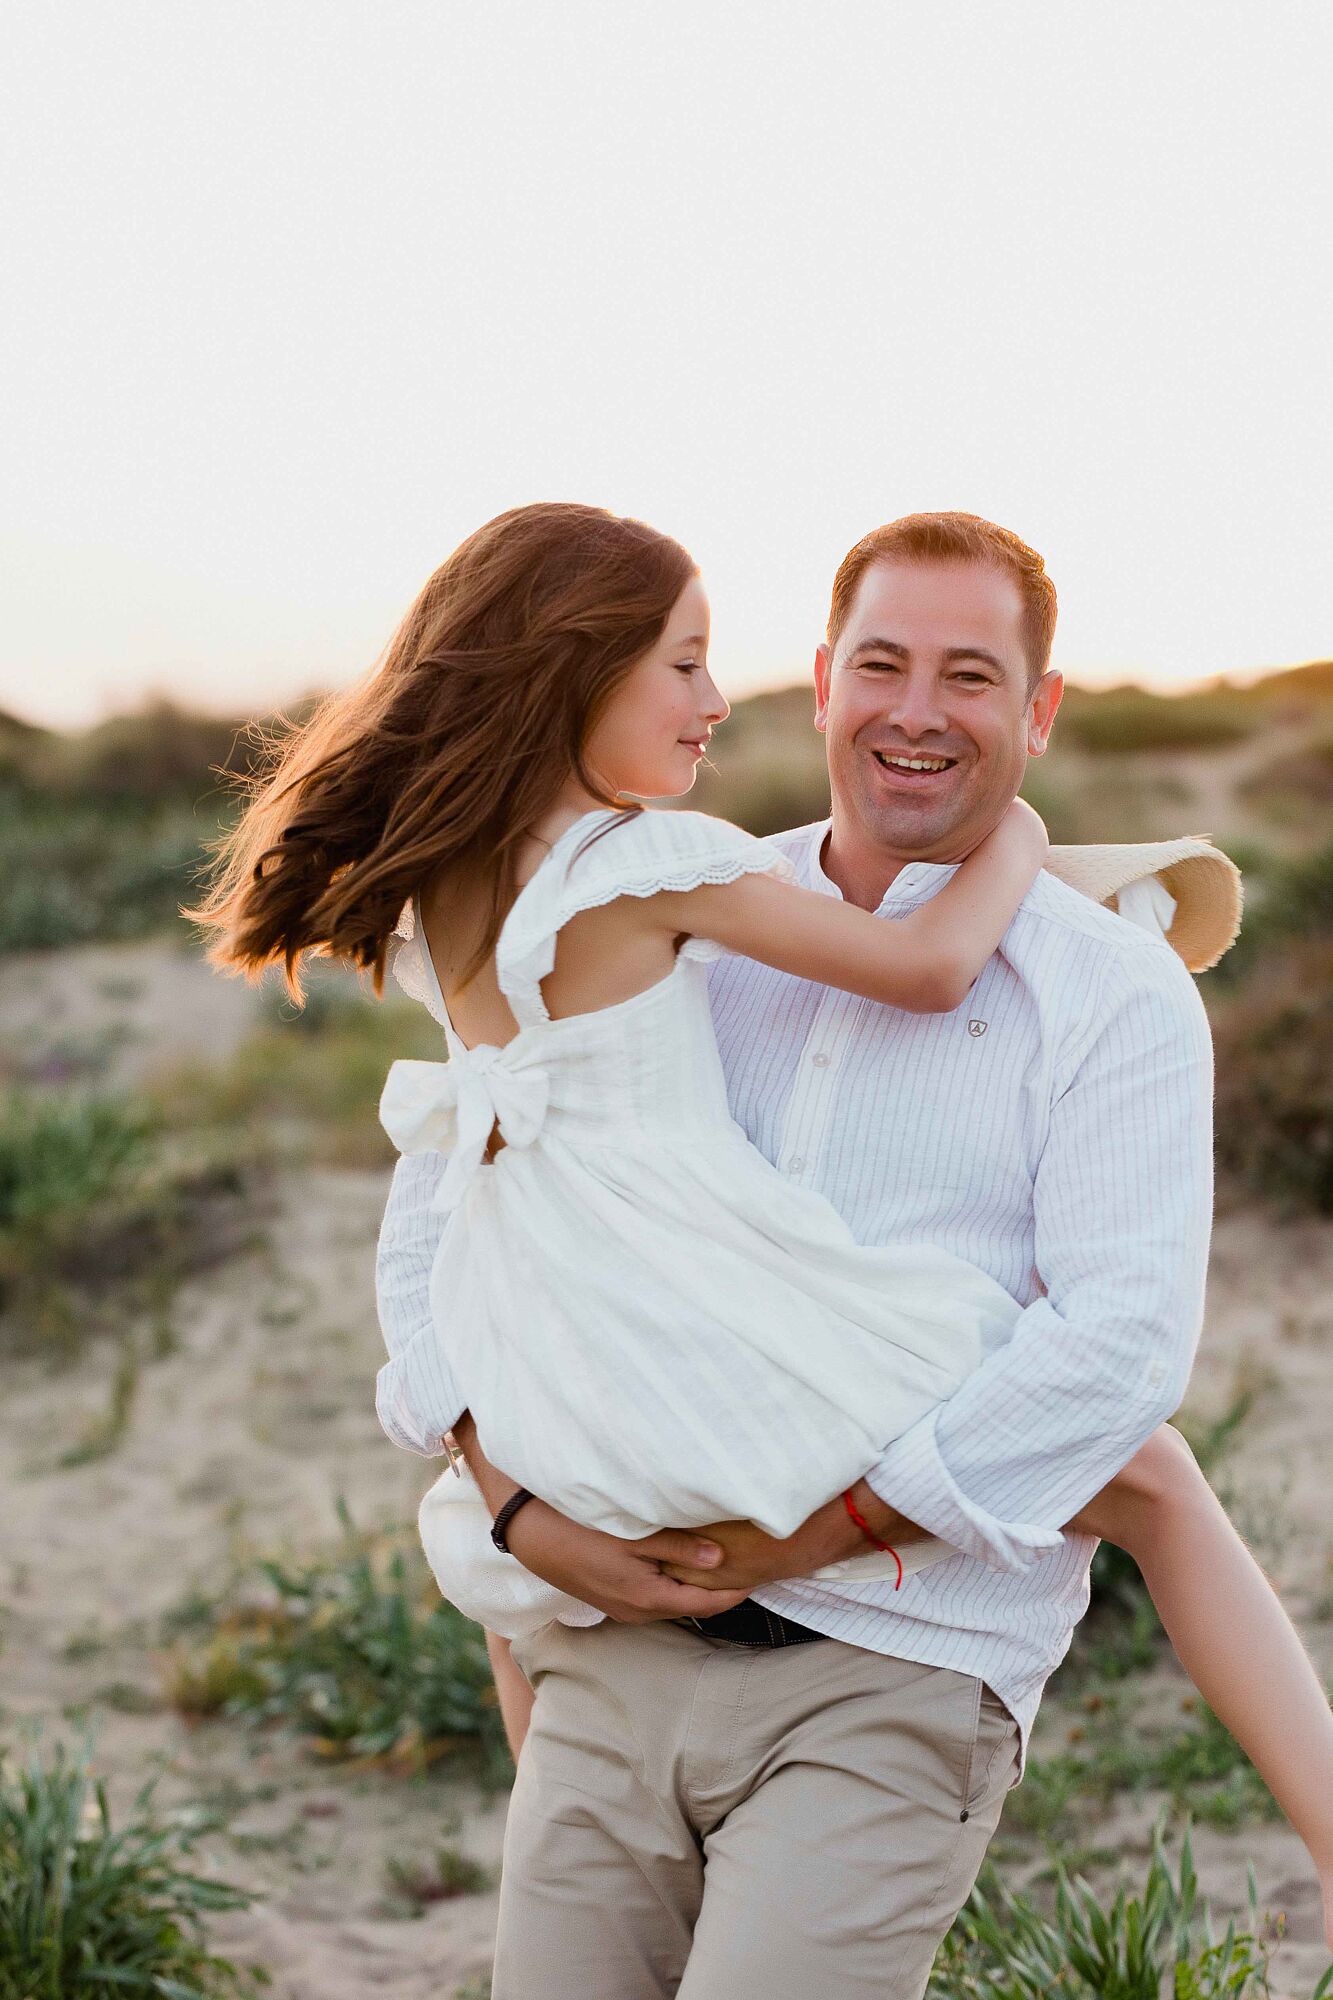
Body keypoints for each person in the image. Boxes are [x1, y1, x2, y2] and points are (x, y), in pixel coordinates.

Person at [191, 505, 1333, 1996]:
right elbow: (454, 1220)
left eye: (971, 676)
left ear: (1040, 708)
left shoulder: (1103, 985)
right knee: (1150, 1478)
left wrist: (828, 1528)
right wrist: (513, 1503)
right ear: (825, 678)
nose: (916, 710)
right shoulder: (689, 903)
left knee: (1139, 1458)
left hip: (893, 1658)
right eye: (882, 664)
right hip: (606, 1640)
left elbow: (1116, 1350)